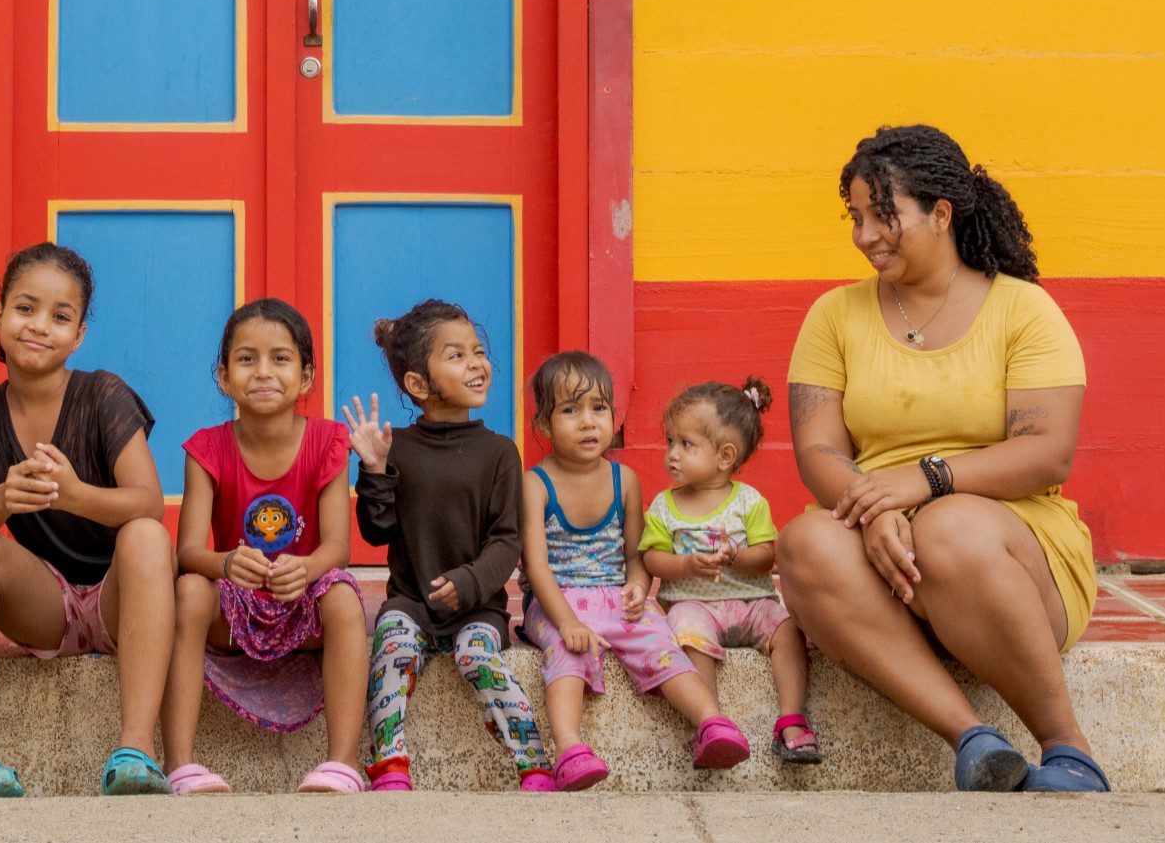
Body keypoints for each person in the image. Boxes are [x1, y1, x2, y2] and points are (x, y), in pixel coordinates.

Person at [780, 124, 1108, 792]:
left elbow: (1048, 453)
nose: (865, 233)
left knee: (949, 524)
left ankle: (1069, 750)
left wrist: (922, 482)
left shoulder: (1025, 310)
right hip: (884, 535)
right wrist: (873, 507)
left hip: (1007, 548)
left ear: (941, 213)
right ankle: (974, 740)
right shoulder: (833, 316)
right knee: (805, 540)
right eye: (856, 217)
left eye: (883, 214)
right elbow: (819, 449)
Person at [0, 243, 176, 797]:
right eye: (25, 309)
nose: (39, 326)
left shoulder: (102, 393)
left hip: (124, 602)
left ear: (78, 336)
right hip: (45, 605)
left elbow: (147, 500)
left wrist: (72, 495)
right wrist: (2, 500)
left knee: (146, 537)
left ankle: (136, 752)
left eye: (60, 316)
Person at [160, 298, 369, 795]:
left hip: (302, 601)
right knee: (189, 591)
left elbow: (337, 545)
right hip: (235, 607)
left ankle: (342, 763)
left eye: (281, 359)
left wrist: (308, 567)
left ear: (306, 376)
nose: (263, 372)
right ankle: (180, 764)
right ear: (224, 376)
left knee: (342, 594)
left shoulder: (328, 440)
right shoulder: (206, 447)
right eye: (246, 358)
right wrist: (226, 563)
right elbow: (188, 551)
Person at [346, 299, 553, 792]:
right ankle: (390, 761)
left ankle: (533, 760)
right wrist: (374, 471)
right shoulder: (397, 447)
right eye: (456, 355)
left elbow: (507, 538)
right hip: (411, 602)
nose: (477, 363)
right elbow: (377, 531)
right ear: (418, 384)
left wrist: (471, 582)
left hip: (479, 608)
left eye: (477, 351)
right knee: (391, 647)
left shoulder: (500, 451)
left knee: (477, 656)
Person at [518, 352, 750, 790]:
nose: (588, 422)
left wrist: (640, 588)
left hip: (614, 594)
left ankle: (713, 723)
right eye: (571, 410)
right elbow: (536, 565)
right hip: (557, 600)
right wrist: (567, 622)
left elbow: (634, 556)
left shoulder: (625, 480)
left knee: (659, 640)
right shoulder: (534, 483)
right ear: (546, 426)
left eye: (598, 408)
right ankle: (569, 749)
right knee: (567, 654)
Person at [640, 377, 818, 764]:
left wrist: (736, 554)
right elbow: (652, 559)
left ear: (724, 456)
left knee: (789, 628)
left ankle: (792, 718)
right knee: (685, 630)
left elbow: (766, 555)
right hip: (695, 604)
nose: (672, 453)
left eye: (686, 444)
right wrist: (685, 564)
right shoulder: (664, 506)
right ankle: (710, 722)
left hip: (751, 602)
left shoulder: (748, 502)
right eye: (670, 441)